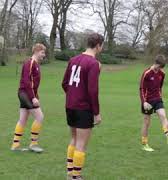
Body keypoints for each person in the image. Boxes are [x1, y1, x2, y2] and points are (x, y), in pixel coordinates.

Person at [62, 33, 103, 180]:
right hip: (83, 109)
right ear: (98, 45)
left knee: (73, 139)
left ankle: (70, 172)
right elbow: (93, 90)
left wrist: (73, 94)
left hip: (70, 106)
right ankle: (76, 176)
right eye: (101, 46)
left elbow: (64, 83)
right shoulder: (93, 63)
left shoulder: (73, 60)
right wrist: (97, 113)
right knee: (81, 143)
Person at [11, 43, 46, 153]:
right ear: (36, 51)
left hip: (25, 94)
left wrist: (36, 96)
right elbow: (27, 82)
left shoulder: (36, 64)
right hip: (25, 94)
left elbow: (33, 84)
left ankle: (15, 145)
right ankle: (33, 144)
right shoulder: (29, 63)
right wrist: (32, 98)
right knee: (39, 117)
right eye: (42, 52)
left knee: (23, 119)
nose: (44, 55)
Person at [139, 55, 168, 152]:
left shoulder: (162, 74)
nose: (159, 69)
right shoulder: (146, 73)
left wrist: (161, 97)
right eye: (159, 66)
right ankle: (144, 144)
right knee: (147, 123)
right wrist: (144, 102)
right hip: (148, 101)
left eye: (161, 68)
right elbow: (141, 88)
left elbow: (160, 87)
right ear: (155, 63)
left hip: (157, 99)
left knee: (163, 115)